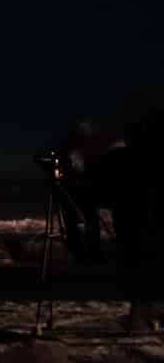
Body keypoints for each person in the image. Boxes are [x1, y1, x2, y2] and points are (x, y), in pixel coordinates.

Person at [100, 95, 163, 333]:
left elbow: (105, 192)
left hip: (138, 230)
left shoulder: (125, 159)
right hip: (142, 228)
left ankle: (141, 321)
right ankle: (143, 318)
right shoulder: (135, 158)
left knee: (142, 272)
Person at [53, 118, 109, 265]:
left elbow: (94, 171)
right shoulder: (70, 150)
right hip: (72, 190)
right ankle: (81, 253)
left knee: (89, 222)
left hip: (83, 190)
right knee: (76, 224)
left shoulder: (90, 151)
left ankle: (91, 253)